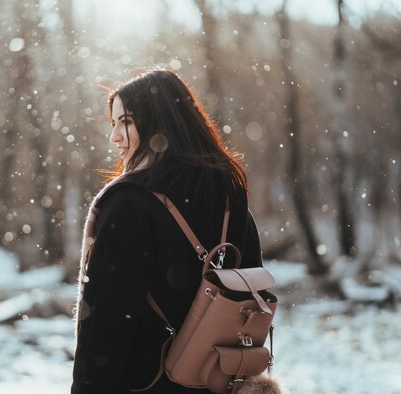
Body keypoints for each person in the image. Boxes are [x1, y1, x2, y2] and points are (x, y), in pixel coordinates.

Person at [71, 68, 263, 394]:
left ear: (160, 122)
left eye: (127, 121)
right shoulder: (228, 192)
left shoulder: (128, 203)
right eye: (113, 123)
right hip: (218, 379)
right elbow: (250, 289)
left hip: (148, 382)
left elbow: (106, 324)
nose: (114, 136)